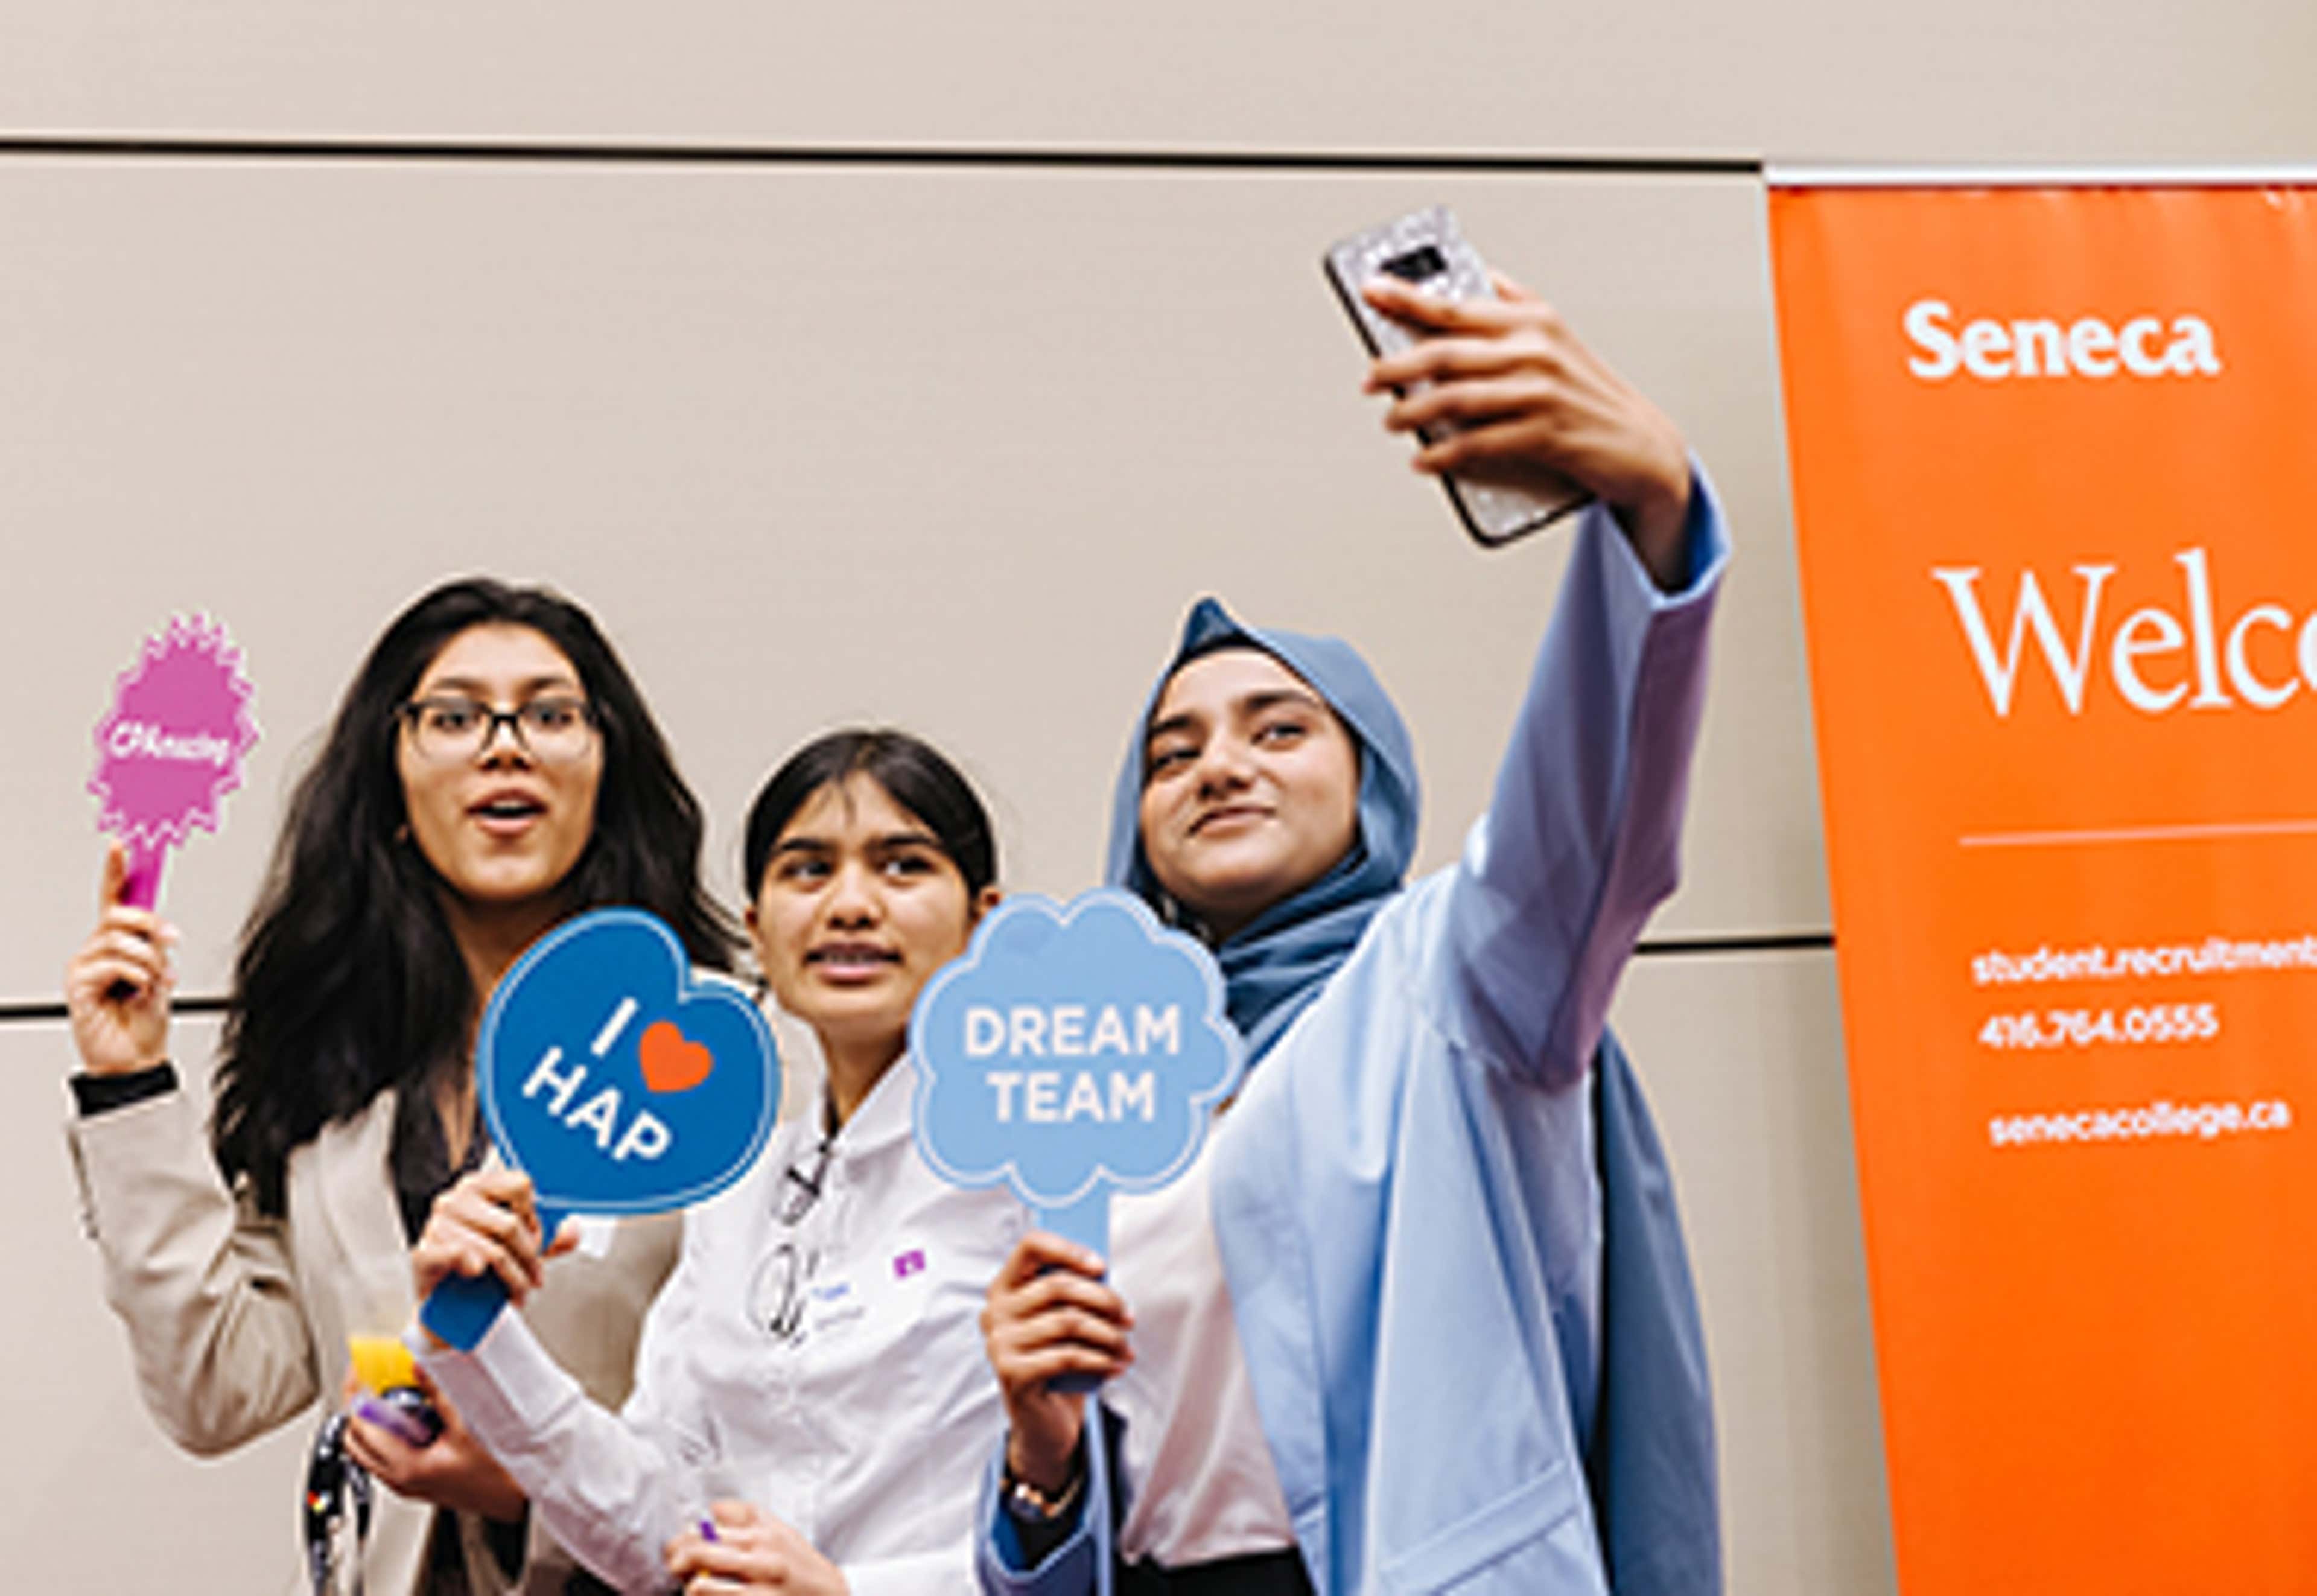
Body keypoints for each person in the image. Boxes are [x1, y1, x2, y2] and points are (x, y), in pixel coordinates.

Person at [976, 272, 1726, 1595]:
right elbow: (1109, 1491)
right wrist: (1041, 1468)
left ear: (1367, 777)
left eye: (1279, 728)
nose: (1220, 767)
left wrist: (1649, 517)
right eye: (1173, 751)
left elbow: (1585, 831)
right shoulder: (1099, 1081)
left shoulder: (1458, 982)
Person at [63, 577, 737, 1594]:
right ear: (392, 794)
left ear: (608, 775)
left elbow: (784, 1432)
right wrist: (130, 1084)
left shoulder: (710, 1061)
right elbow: (216, 1387)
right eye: (454, 716)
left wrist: (527, 1490)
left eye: (551, 714)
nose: (504, 744)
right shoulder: (335, 1083)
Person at [414, 728, 1028, 1595]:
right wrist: (470, 1333)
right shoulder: (739, 1184)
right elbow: (659, 1520)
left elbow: (1110, 1521)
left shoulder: (1044, 1173)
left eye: (902, 865)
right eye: (807, 870)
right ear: (757, 932)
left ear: (984, 921)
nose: (850, 904)